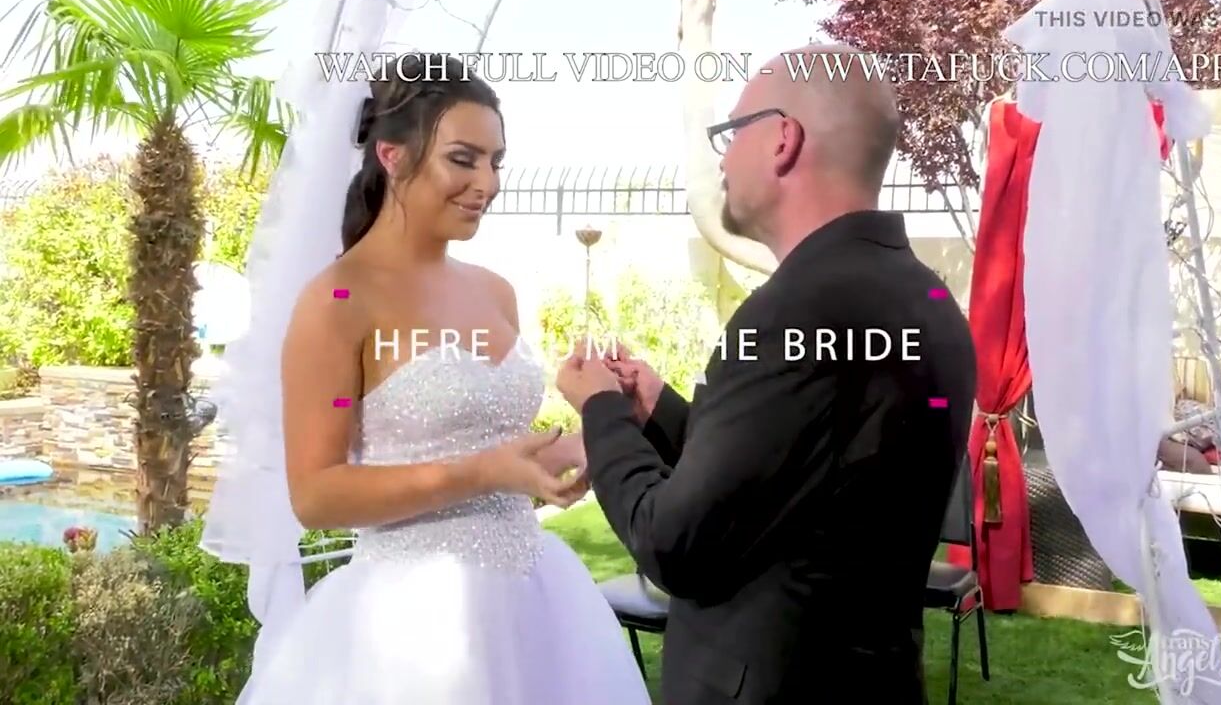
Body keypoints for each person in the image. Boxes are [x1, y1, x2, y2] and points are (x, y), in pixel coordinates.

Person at [556, 44, 977, 704]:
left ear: (783, 139)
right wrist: (658, 410)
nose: (723, 159)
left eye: (732, 131)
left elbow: (676, 545)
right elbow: (794, 473)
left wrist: (601, 411)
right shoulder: (926, 298)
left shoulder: (792, 311)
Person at [235, 53, 651, 704]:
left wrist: (586, 440)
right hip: (410, 631)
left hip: (536, 610)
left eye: (496, 162)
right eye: (464, 159)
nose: (487, 183)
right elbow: (316, 496)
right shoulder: (337, 301)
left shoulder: (496, 291)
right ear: (392, 155)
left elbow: (497, 452)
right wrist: (484, 472)